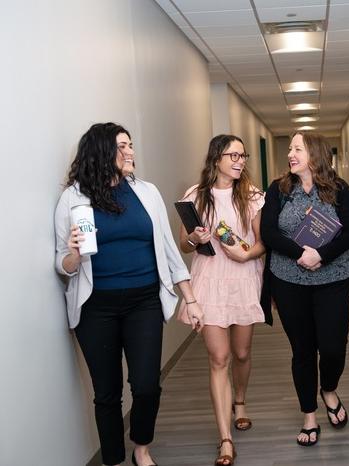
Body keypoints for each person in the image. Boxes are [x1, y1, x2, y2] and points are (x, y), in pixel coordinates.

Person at [54, 123, 204, 466]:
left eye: (132, 145)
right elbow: (62, 263)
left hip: (144, 301)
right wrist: (74, 254)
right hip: (96, 308)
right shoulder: (73, 198)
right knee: (107, 393)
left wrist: (190, 299)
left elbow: (168, 250)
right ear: (103, 151)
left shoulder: (146, 192)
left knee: (147, 384)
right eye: (124, 146)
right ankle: (112, 459)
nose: (132, 152)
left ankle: (141, 448)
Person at [260, 131, 349, 447]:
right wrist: (300, 253)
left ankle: (328, 388)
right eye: (289, 148)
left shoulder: (340, 190)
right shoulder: (279, 190)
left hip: (334, 279)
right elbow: (269, 232)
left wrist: (321, 255)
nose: (290, 153)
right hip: (288, 281)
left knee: (332, 347)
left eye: (297, 148)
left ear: (314, 153)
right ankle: (309, 415)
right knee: (302, 350)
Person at [178, 134, 265, 466]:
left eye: (243, 156)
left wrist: (246, 257)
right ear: (216, 158)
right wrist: (194, 238)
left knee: (242, 353)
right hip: (209, 281)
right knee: (219, 358)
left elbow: (261, 244)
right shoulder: (195, 197)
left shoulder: (253, 196)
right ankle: (225, 438)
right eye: (234, 155)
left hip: (243, 280)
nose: (240, 161)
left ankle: (239, 400)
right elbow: (185, 246)